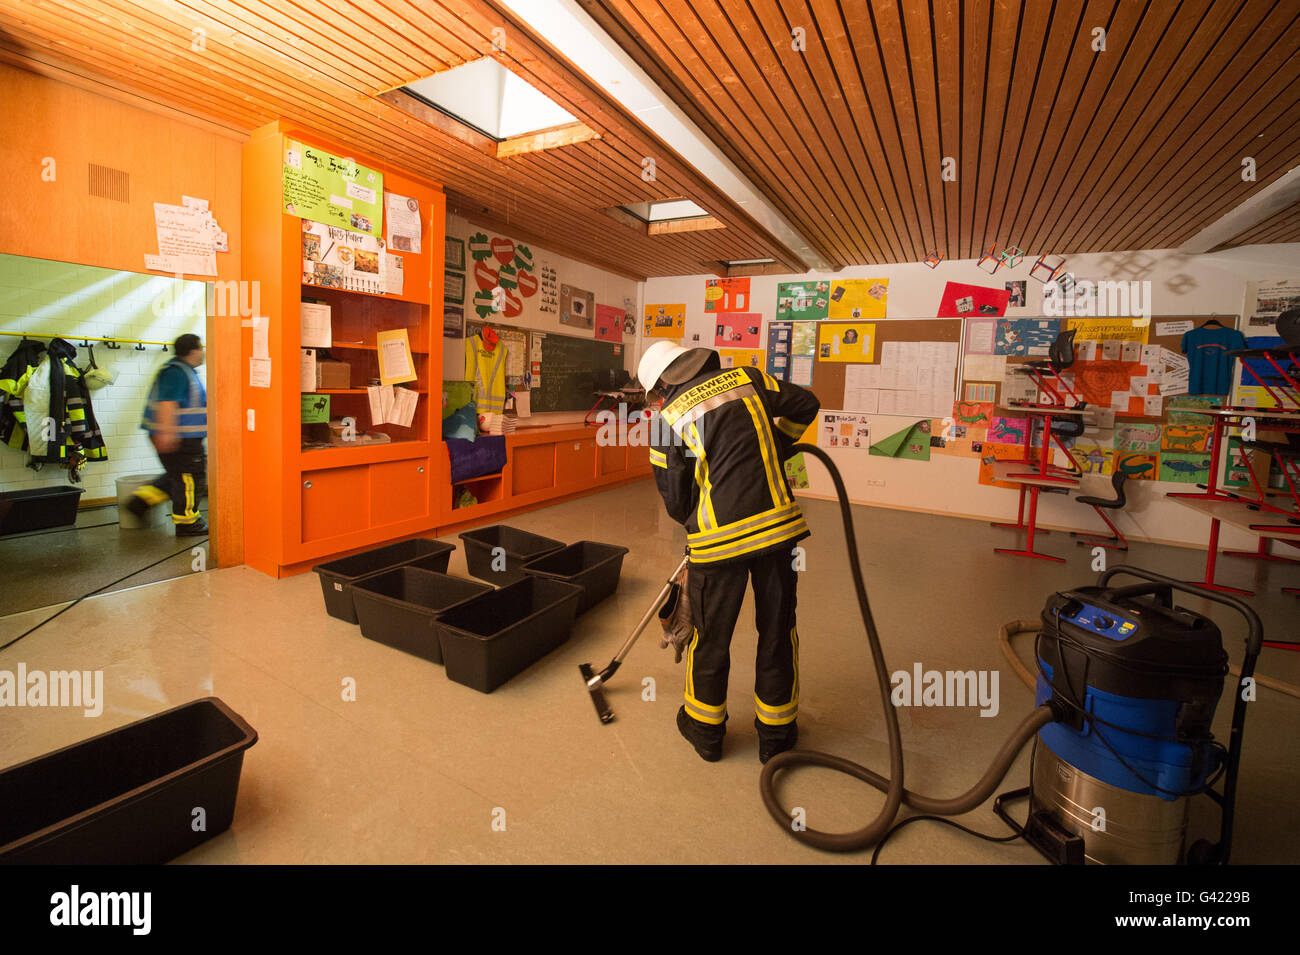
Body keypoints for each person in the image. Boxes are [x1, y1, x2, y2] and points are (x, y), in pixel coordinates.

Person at [637, 341, 820, 763]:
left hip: (718, 546)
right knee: (778, 630)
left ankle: (705, 732)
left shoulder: (667, 422)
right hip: (777, 533)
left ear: (663, 383)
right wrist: (776, 443)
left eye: (656, 393)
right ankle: (775, 735)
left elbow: (677, 501)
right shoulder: (748, 379)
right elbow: (806, 403)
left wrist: (704, 506)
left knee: (709, 635)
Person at [127, 333, 208, 536]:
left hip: (182, 436)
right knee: (189, 478)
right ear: (192, 350)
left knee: (177, 476)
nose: (203, 353)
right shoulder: (177, 372)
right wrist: (166, 433)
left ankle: (140, 502)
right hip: (181, 438)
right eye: (201, 348)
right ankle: (188, 523)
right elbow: (167, 403)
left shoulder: (184, 371)